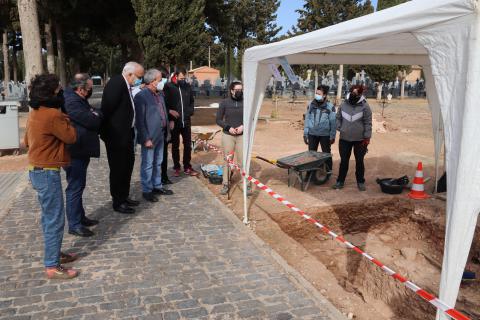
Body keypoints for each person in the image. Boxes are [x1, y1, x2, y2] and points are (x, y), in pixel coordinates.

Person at [24, 73, 78, 279]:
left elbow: (26, 142)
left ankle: (54, 253)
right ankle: (52, 265)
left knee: (49, 218)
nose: (60, 92)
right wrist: (64, 117)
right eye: (58, 89)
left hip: (36, 169)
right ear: (51, 93)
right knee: (55, 219)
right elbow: (71, 136)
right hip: (47, 172)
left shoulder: (35, 112)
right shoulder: (53, 115)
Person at [100, 61, 144, 214]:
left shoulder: (126, 85)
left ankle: (124, 196)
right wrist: (108, 134)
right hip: (116, 136)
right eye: (139, 76)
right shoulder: (117, 83)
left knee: (127, 166)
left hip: (126, 134)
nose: (140, 80)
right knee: (118, 169)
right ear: (130, 73)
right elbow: (107, 110)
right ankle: (118, 201)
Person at [63, 73, 102, 237]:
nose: (91, 91)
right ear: (80, 89)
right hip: (75, 150)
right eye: (89, 88)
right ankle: (74, 224)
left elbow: (95, 113)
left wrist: (96, 113)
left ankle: (80, 216)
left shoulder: (79, 99)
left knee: (79, 185)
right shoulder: (71, 101)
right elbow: (91, 119)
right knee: (75, 187)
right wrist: (95, 114)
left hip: (81, 149)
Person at [134, 69, 174, 202]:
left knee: (158, 162)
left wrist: (168, 129)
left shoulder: (160, 94)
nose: (162, 81)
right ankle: (147, 190)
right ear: (152, 82)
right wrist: (145, 138)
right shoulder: (141, 96)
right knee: (148, 163)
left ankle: (157, 185)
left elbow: (163, 113)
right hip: (149, 137)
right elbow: (139, 120)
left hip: (161, 134)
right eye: (159, 79)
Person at [332, 85, 372, 191]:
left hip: (360, 140)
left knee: (359, 161)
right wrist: (340, 127)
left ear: (360, 94)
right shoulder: (343, 104)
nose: (354, 95)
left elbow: (368, 123)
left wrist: (367, 138)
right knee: (344, 161)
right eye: (352, 92)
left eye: (356, 93)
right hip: (344, 139)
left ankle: (360, 182)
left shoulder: (365, 106)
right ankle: (340, 181)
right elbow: (337, 118)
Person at [164, 68, 198, 177]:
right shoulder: (169, 87)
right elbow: (165, 104)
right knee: (175, 146)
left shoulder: (187, 87)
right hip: (175, 122)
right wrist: (170, 118)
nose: (183, 80)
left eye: (185, 78)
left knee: (187, 145)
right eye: (181, 78)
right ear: (176, 76)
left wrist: (190, 112)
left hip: (186, 121)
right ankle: (176, 167)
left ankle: (187, 166)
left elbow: (191, 101)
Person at [216, 81, 247, 195]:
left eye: (241, 90)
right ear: (232, 90)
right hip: (228, 135)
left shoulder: (246, 102)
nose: (240, 92)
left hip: (242, 135)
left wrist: (243, 126)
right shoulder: (224, 103)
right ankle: (225, 183)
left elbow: (251, 117)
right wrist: (228, 127)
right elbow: (218, 119)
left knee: (243, 161)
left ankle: (246, 184)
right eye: (237, 90)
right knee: (228, 160)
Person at [303, 85, 336, 172]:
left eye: (319, 94)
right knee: (311, 155)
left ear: (324, 95)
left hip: (325, 135)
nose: (316, 95)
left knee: (326, 154)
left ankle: (328, 172)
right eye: (316, 93)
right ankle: (310, 173)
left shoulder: (330, 106)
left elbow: (333, 122)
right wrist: (305, 133)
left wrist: (332, 136)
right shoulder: (311, 105)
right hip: (312, 134)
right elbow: (307, 119)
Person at [158, 69, 173, 185]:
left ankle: (164, 176)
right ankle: (156, 179)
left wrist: (171, 120)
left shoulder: (167, 90)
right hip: (155, 129)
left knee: (164, 154)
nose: (164, 80)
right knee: (155, 156)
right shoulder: (151, 92)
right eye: (162, 78)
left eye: (165, 77)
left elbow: (170, 105)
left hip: (166, 127)